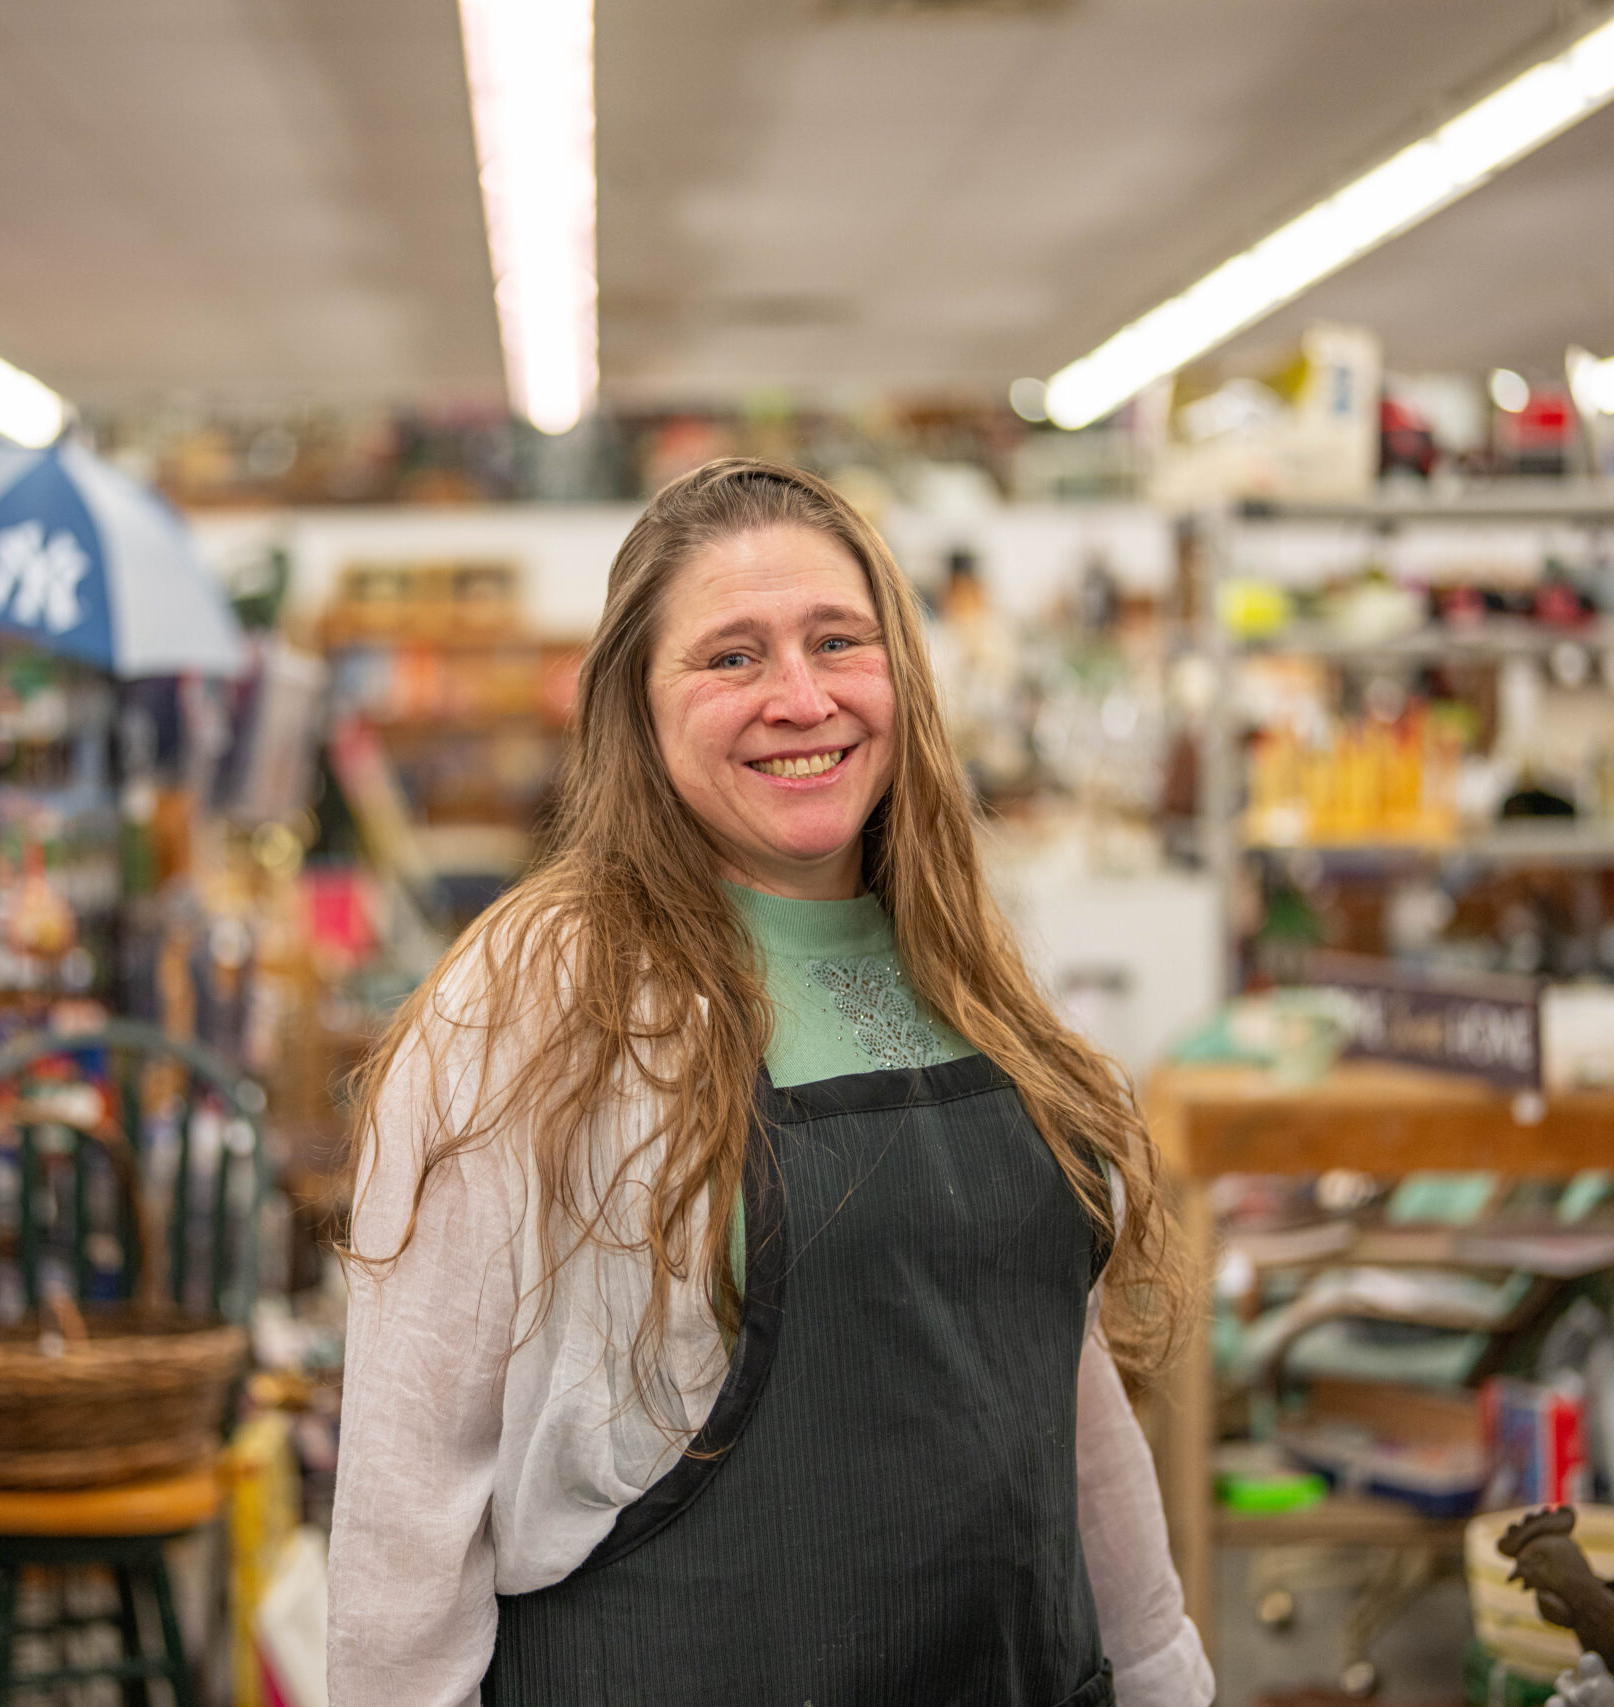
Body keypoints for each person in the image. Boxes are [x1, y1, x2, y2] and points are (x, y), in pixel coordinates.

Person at [329, 458, 1210, 1707]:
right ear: (635, 706)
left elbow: (1052, 1382)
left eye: (836, 641)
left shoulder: (962, 962)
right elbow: (404, 1500)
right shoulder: (534, 996)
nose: (800, 698)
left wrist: (1165, 1670)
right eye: (731, 657)